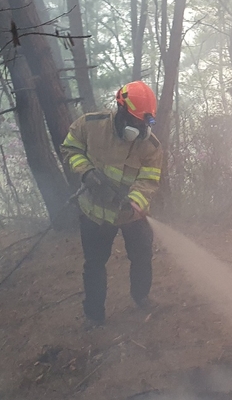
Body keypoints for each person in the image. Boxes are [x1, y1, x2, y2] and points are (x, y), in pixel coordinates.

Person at [60, 81, 163, 324]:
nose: (139, 129)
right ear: (120, 109)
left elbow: (149, 179)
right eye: (135, 121)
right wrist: (86, 172)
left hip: (132, 214)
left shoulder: (150, 146)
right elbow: (70, 148)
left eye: (144, 123)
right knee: (94, 265)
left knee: (142, 256)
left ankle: (141, 297)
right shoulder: (90, 125)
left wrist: (135, 201)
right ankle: (94, 316)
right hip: (94, 213)